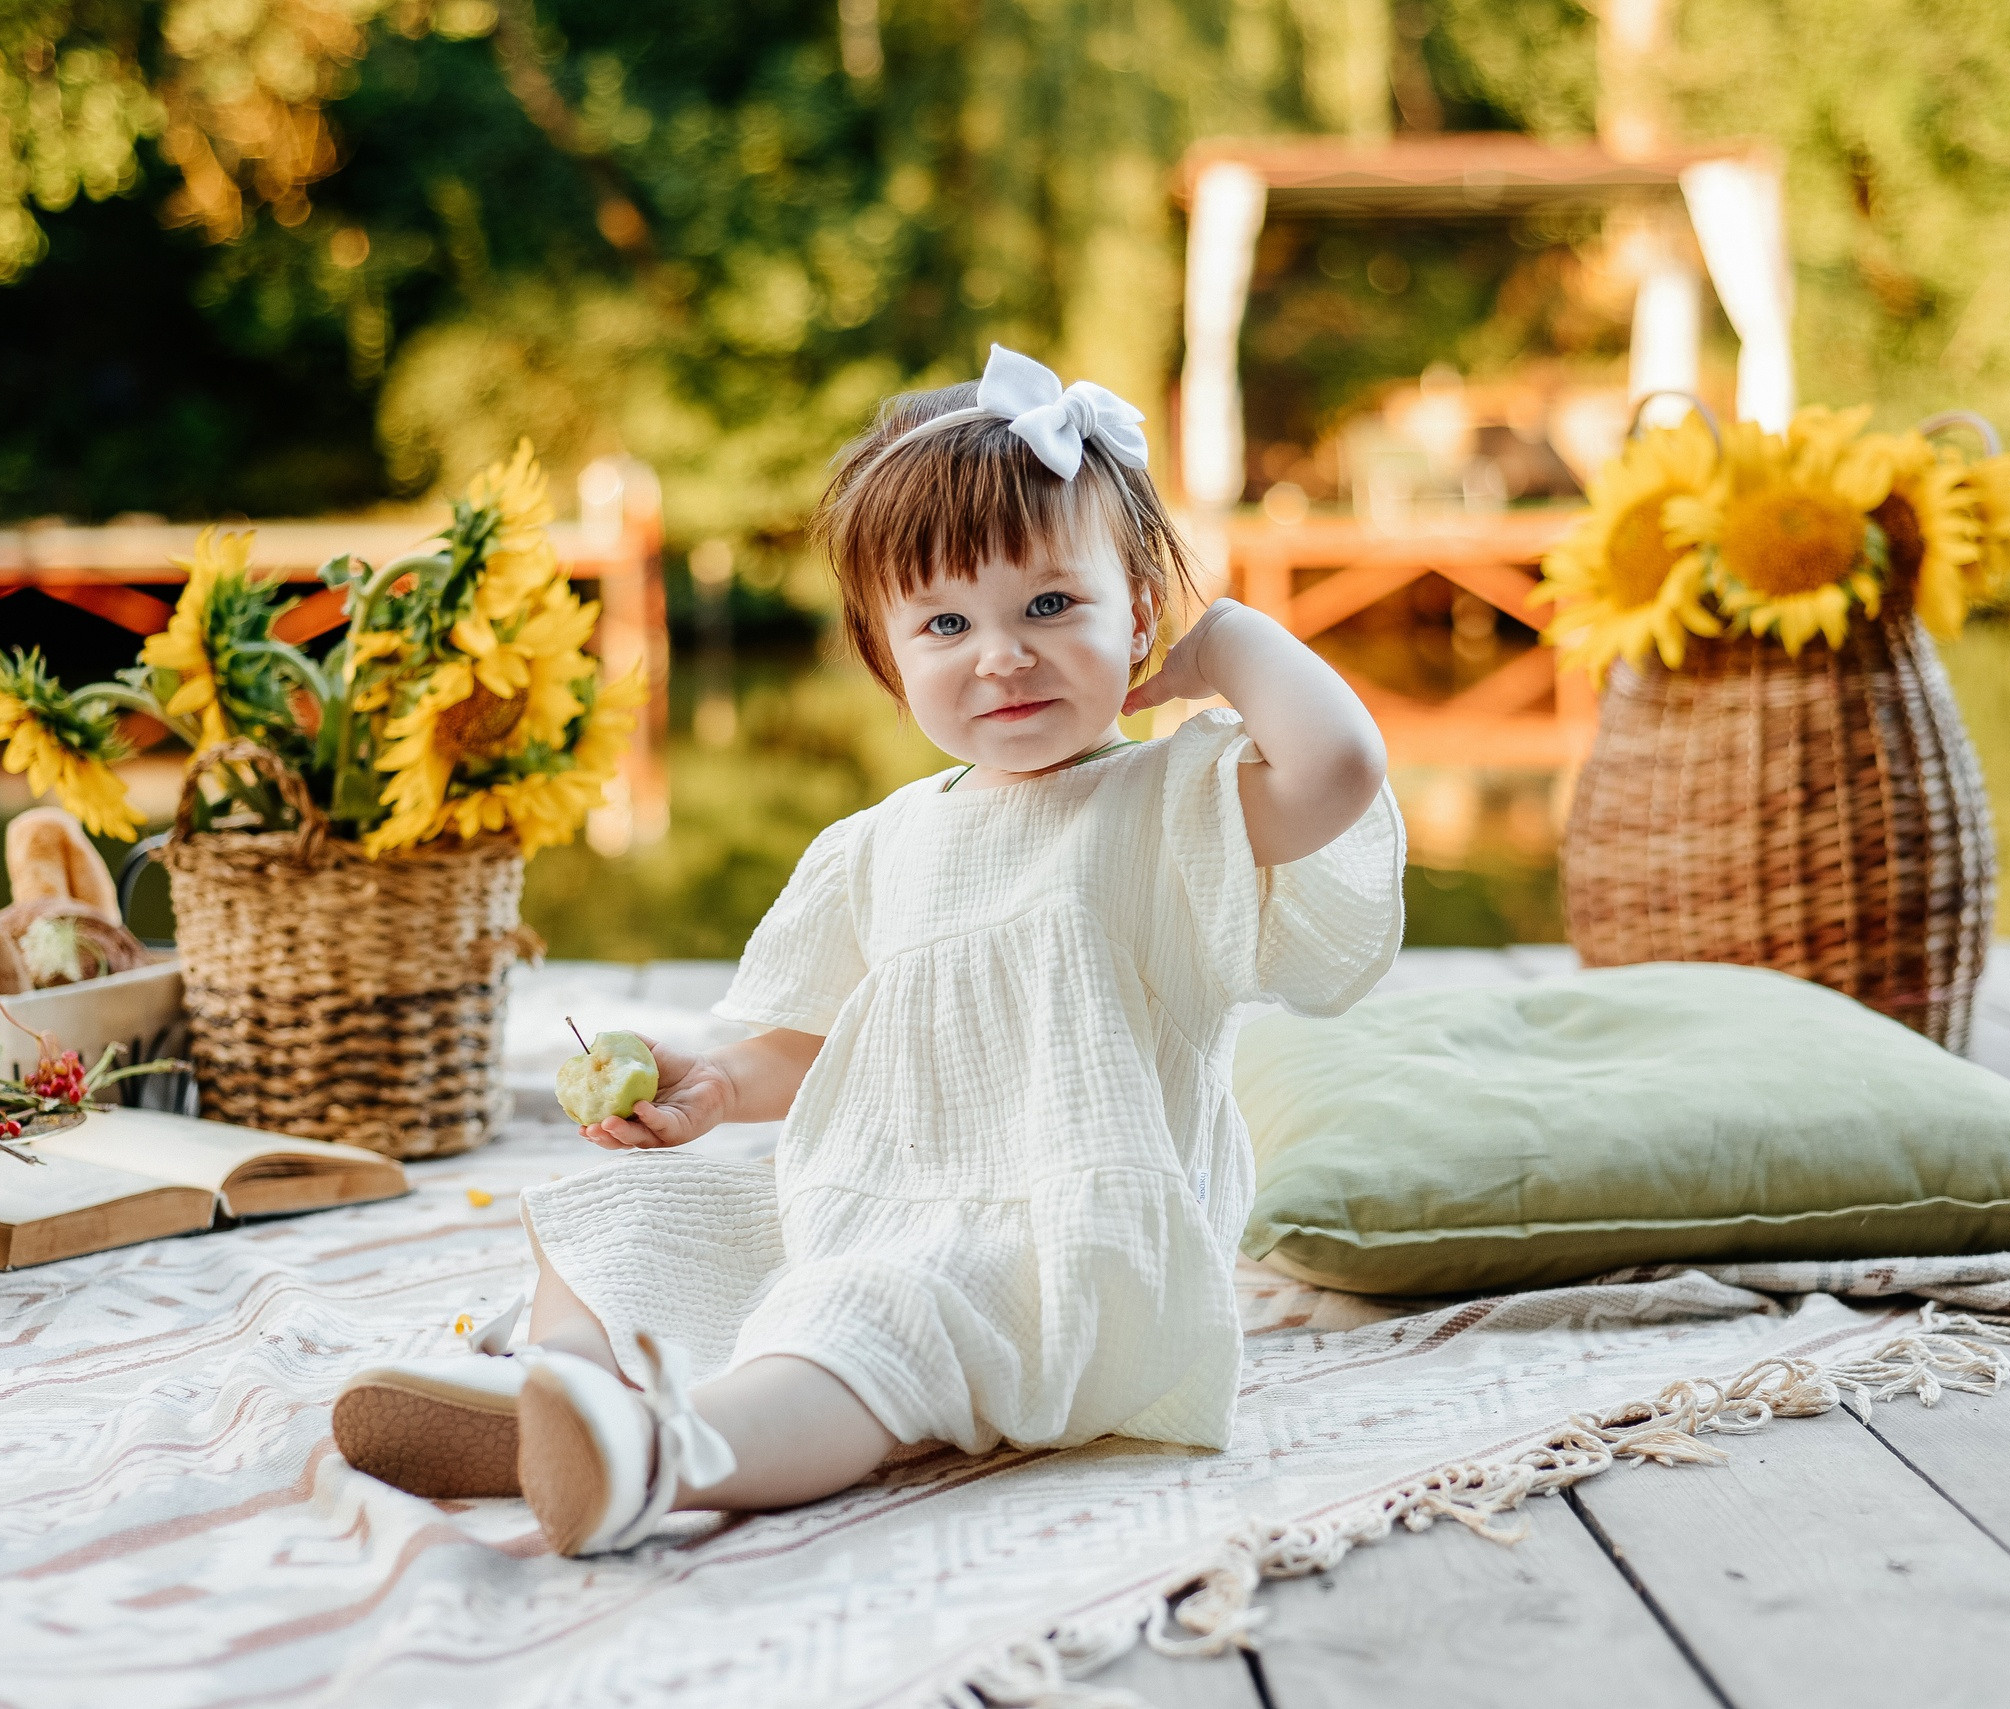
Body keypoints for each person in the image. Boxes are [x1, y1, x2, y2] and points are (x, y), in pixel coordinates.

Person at [332, 346, 1403, 1554]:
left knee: (864, 1317)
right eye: (945, 621)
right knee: (633, 1203)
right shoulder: (881, 843)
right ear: (888, 654)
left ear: (1138, 613)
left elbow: (1340, 769)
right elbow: (813, 1040)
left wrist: (1226, 649)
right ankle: (557, 1386)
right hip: (883, 1194)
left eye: (1051, 605)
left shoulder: (1172, 801)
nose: (1001, 654)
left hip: (1063, 1240)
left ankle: (660, 1454)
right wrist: (715, 1081)